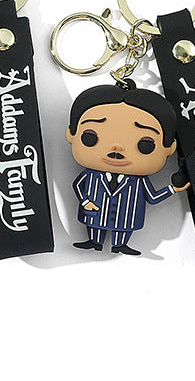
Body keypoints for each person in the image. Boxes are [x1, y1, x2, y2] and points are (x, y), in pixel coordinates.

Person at [66, 82, 188, 255]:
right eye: (90, 137)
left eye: (145, 145)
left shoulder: (138, 181)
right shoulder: (91, 176)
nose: (117, 147)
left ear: (169, 148)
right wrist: (85, 201)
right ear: (71, 134)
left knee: (123, 227)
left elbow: (152, 197)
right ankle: (94, 241)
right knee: (94, 225)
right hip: (95, 213)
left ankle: (120, 245)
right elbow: (78, 186)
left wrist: (174, 188)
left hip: (125, 218)